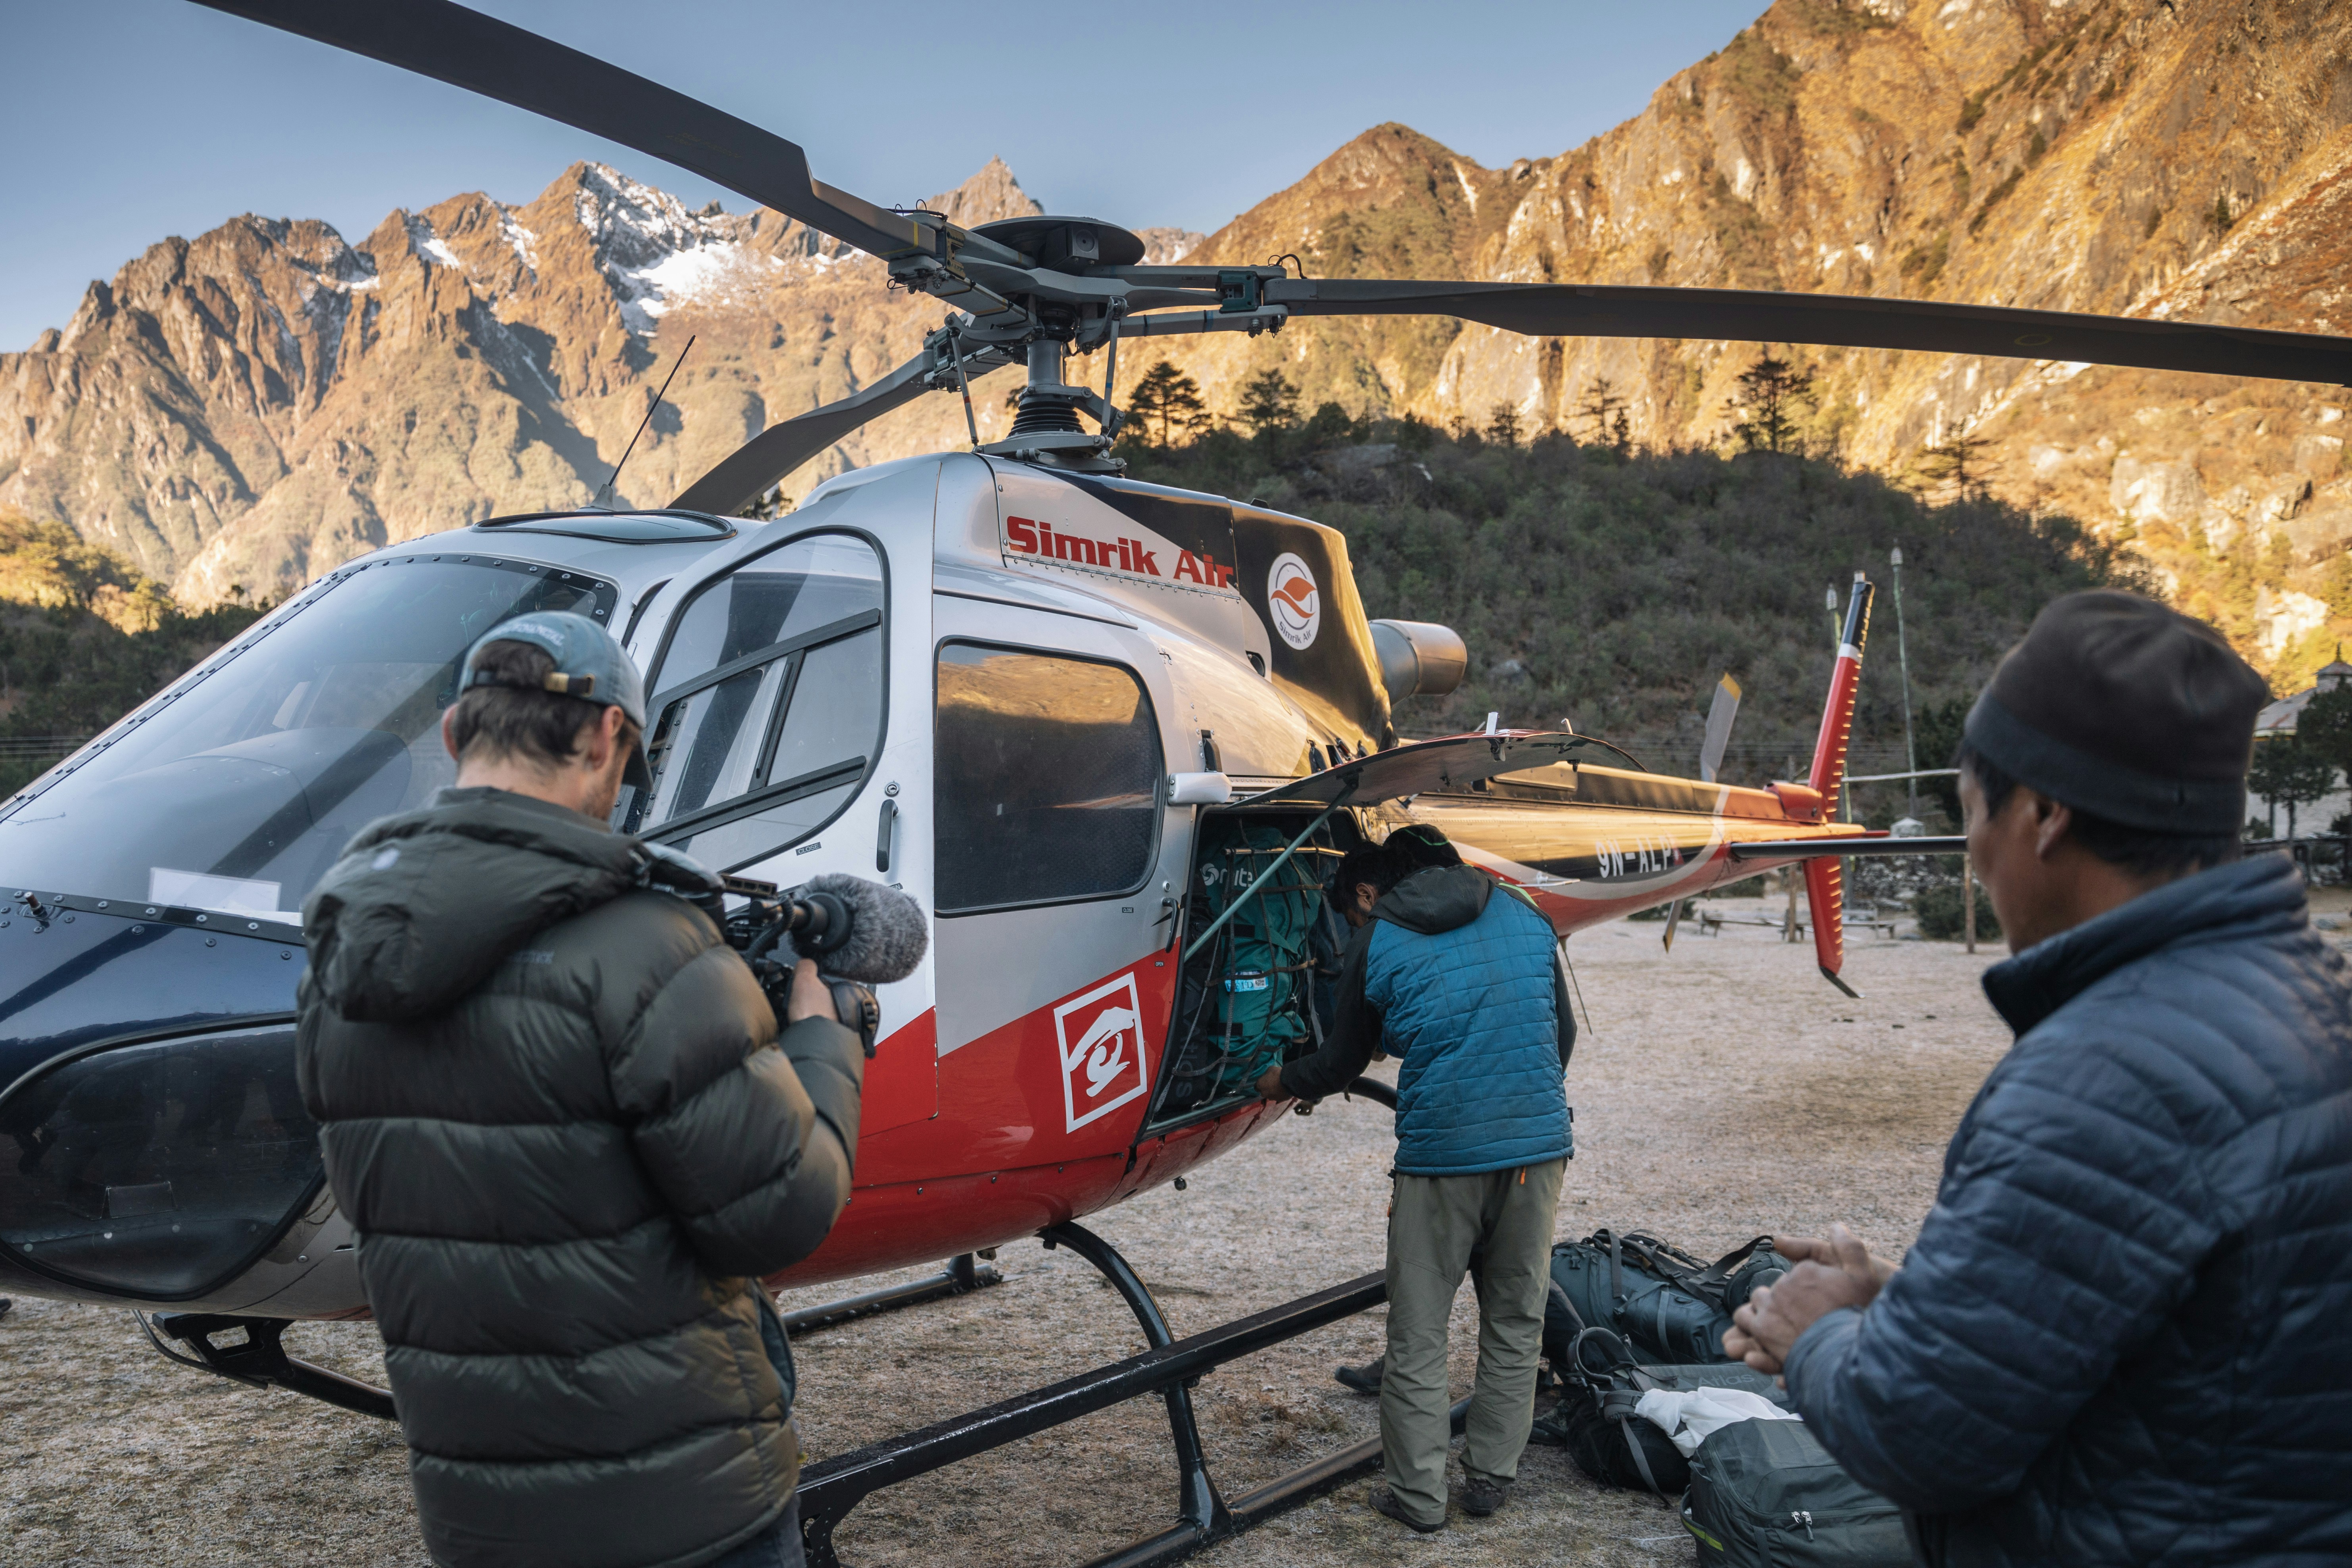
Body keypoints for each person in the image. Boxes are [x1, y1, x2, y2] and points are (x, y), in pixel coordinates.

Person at [1726, 590, 2352, 1566]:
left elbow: (1918, 1436)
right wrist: (1916, 1302)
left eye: (1973, 813)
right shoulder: (2305, 994)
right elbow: (2208, 1332)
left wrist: (1814, 1335)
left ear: (2045, 815)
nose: (1974, 852)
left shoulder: (2105, 1075)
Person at [298, 612, 866, 1568]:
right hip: (686, 1509)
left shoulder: (338, 956)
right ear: (609, 736)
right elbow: (779, 1215)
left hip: (483, 1517)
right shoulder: (646, 942)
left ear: (453, 735)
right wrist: (821, 1037)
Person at [1258, 831, 1572, 1533]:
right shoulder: (1523, 911)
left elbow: (1340, 1062)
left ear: (1367, 894)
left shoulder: (1381, 936)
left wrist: (1282, 1079)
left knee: (1420, 1332)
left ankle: (1418, 1495)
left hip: (1442, 1160)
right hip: (1537, 1152)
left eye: (1352, 912)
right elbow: (1562, 1038)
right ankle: (1491, 1477)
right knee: (1517, 1320)